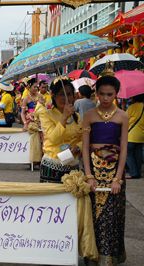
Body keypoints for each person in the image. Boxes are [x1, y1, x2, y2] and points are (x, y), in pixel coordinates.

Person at [82, 75, 128, 265]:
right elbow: (85, 147)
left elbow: (124, 147)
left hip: (115, 170)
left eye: (110, 94)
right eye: (102, 94)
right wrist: (88, 175)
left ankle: (109, 257)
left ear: (116, 94)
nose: (106, 98)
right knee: (92, 214)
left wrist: (117, 178)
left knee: (112, 215)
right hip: (93, 168)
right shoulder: (89, 115)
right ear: (96, 94)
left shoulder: (123, 116)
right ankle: (92, 254)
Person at [39, 77, 82, 183]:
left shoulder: (77, 116)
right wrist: (64, 117)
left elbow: (84, 137)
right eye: (62, 94)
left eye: (69, 94)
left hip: (72, 165)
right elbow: (54, 139)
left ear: (74, 96)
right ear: (53, 95)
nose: (66, 98)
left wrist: (78, 147)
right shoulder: (46, 114)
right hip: (53, 165)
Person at [125, 94, 144, 179]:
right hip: (141, 135)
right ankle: (138, 172)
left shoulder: (132, 107)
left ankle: (133, 173)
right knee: (138, 154)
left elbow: (125, 119)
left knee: (128, 154)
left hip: (131, 134)